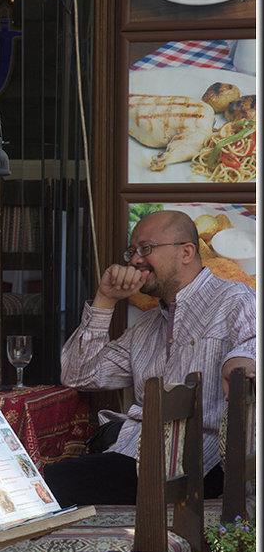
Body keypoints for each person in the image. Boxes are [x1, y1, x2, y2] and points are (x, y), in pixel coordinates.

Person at [45, 209, 256, 507]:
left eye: (146, 249)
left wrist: (239, 363)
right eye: (132, 251)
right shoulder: (147, 325)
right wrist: (105, 300)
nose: (134, 260)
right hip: (136, 455)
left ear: (186, 252)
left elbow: (252, 345)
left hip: (195, 465)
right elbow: (79, 375)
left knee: (51, 483)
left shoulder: (235, 298)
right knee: (45, 479)